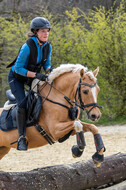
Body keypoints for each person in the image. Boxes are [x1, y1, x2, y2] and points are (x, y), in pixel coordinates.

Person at [8, 17, 52, 151]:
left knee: (43, 96)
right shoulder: (27, 46)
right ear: (35, 32)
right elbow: (18, 68)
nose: (46, 34)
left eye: (47, 31)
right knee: (22, 103)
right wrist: (36, 75)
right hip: (16, 78)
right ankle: (21, 137)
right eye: (42, 31)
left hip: (30, 78)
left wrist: (51, 71)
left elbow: (47, 64)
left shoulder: (47, 46)